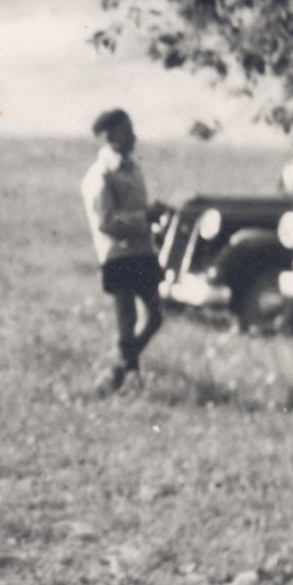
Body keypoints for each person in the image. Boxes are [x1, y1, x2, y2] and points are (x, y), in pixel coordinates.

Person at [82, 108, 164, 392]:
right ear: (110, 136)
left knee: (155, 317)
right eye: (127, 132)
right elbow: (106, 221)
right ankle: (129, 373)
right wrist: (145, 218)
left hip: (141, 250)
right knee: (126, 320)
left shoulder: (132, 168)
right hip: (117, 253)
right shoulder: (100, 175)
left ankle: (117, 369)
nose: (134, 137)